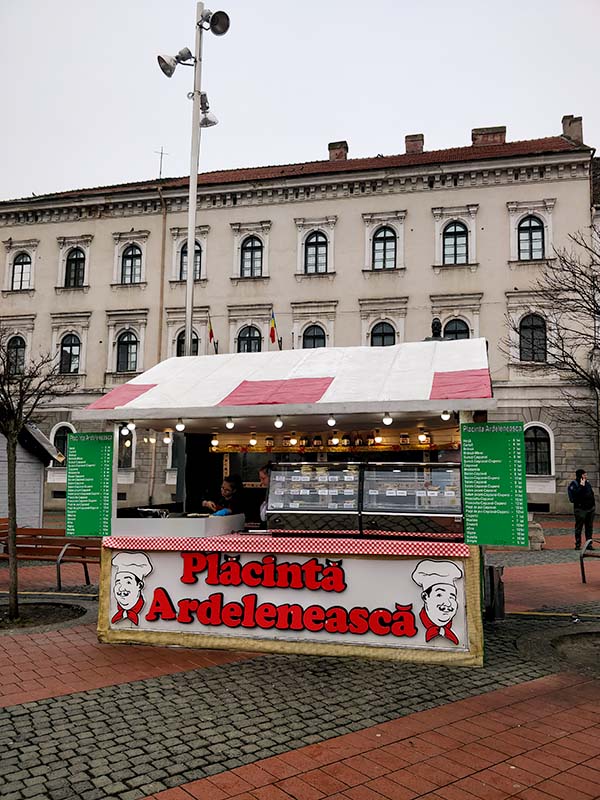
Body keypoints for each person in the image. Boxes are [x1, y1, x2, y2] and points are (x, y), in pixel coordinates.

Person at [568, 469, 595, 550]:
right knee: (579, 527)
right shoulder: (574, 484)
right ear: (580, 476)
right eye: (584, 475)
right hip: (580, 509)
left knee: (589, 527)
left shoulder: (587, 483)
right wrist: (581, 486)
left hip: (590, 508)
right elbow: (573, 498)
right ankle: (578, 544)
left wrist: (593, 505)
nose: (586, 476)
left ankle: (589, 544)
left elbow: (591, 493)